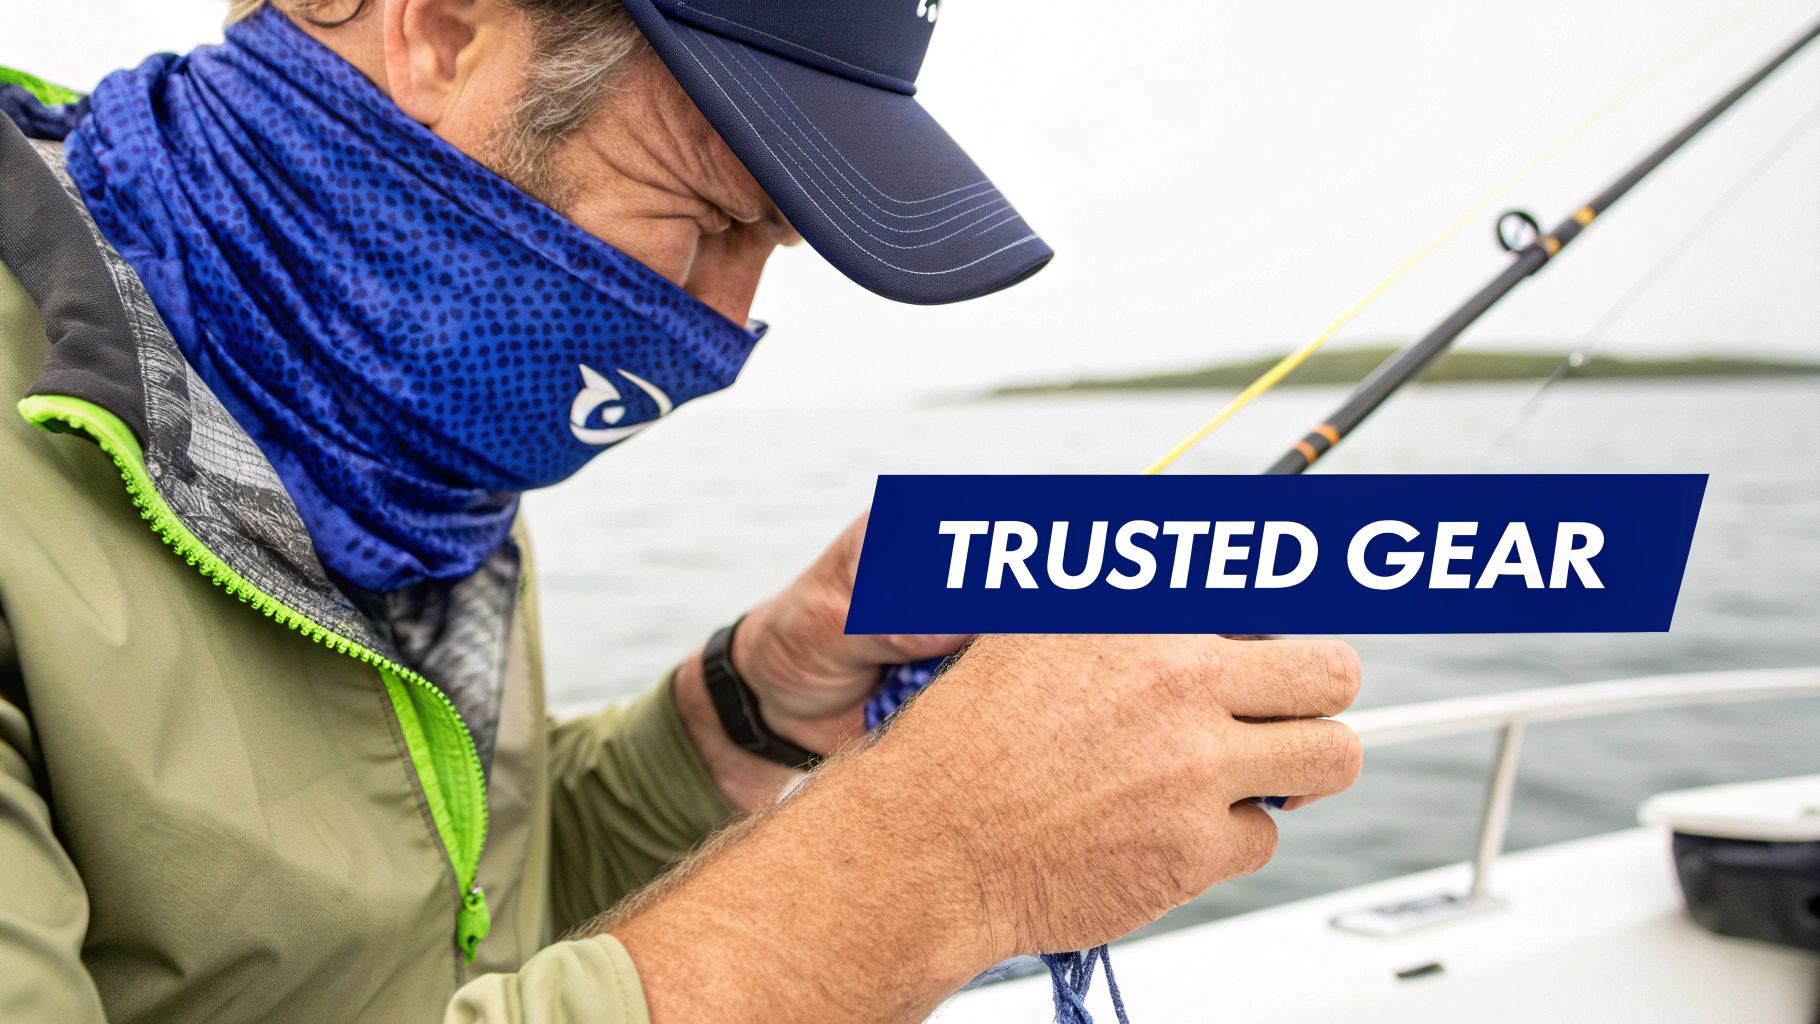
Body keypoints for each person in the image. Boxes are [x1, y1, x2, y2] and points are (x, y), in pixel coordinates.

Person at [0, 0, 1364, 1020]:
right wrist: (927, 865)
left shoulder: (404, 420)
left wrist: (743, 709)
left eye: (771, 248)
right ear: (445, 31)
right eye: (709, 215)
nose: (725, 324)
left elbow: (440, 905)